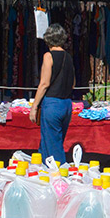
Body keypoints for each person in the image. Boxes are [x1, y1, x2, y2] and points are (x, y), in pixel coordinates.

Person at [29, 24, 74, 163]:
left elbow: (44, 84)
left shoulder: (48, 56)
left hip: (52, 104)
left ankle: (58, 178)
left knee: (53, 149)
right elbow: (73, 84)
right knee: (52, 143)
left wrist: (34, 106)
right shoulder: (68, 57)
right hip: (66, 104)